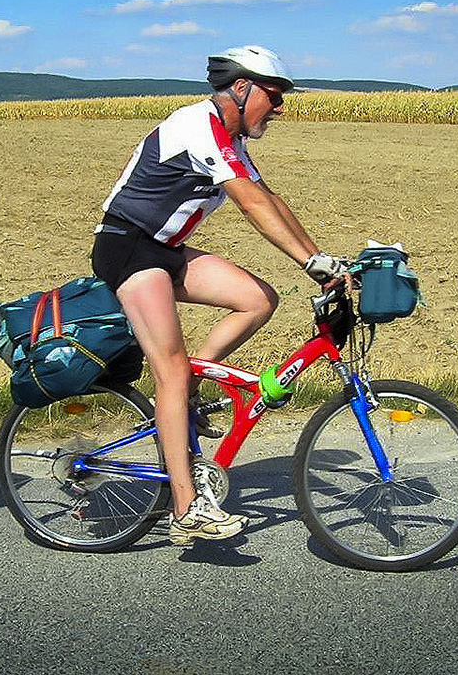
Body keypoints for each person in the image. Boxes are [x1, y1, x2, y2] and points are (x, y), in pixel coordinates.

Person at [91, 45, 347, 545]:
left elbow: (271, 199)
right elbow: (250, 204)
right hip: (127, 248)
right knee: (169, 369)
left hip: (166, 248)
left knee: (258, 299)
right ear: (241, 87)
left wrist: (324, 262)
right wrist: (310, 262)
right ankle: (186, 509)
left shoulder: (230, 138)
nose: (278, 108)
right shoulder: (197, 125)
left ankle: (188, 390)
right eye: (273, 96)